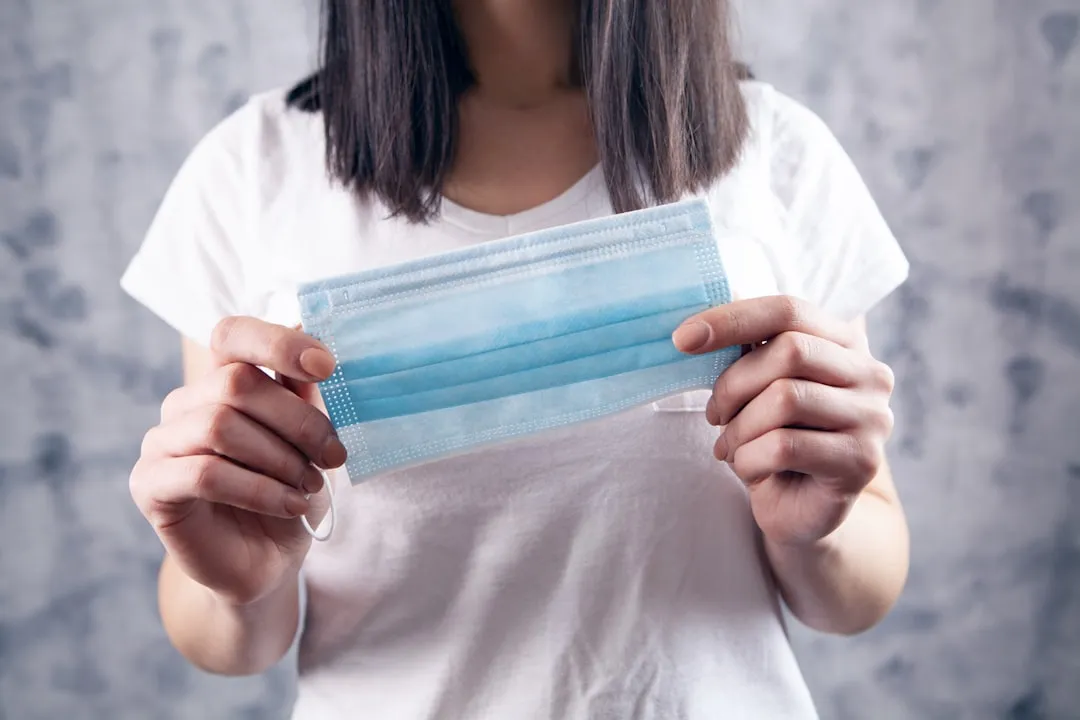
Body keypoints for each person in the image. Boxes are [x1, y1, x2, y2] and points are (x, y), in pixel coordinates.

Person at [121, 0, 911, 717]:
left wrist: (818, 533)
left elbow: (857, 594)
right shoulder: (253, 170)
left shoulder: (777, 153)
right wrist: (237, 588)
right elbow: (233, 640)